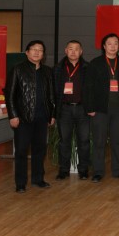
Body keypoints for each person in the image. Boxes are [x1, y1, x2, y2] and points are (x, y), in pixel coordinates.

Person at [6, 40, 55, 193]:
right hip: (23, 118)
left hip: (42, 117)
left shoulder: (47, 71)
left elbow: (51, 95)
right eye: (33, 49)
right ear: (27, 52)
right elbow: (10, 94)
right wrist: (13, 115)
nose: (36, 52)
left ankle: (38, 179)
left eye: (40, 50)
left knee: (39, 150)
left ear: (43, 54)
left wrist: (52, 115)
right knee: (21, 150)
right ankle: (20, 183)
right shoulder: (18, 69)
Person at [83, 33, 119, 183]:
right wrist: (90, 107)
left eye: (116, 43)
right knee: (99, 141)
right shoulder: (95, 63)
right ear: (104, 46)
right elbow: (88, 87)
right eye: (109, 43)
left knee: (117, 141)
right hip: (100, 109)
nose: (113, 46)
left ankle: (118, 171)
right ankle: (98, 172)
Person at [53, 40, 89, 180]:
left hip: (83, 109)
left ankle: (84, 169)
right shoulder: (57, 68)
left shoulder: (87, 67)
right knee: (64, 141)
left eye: (76, 49)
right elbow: (54, 91)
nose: (73, 51)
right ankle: (63, 170)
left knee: (84, 141)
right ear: (65, 50)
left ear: (81, 52)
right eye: (70, 49)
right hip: (64, 110)